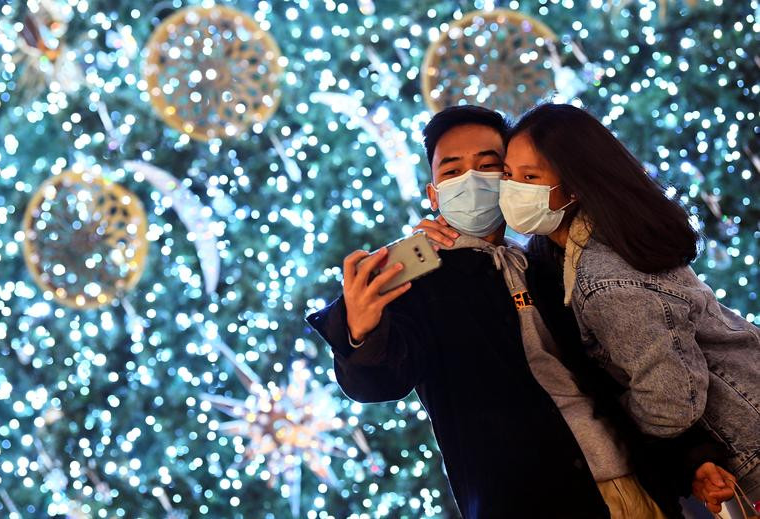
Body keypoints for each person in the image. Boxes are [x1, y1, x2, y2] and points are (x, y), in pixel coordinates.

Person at [306, 105, 725, 518]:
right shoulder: (418, 281)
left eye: (488, 166)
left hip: (637, 486)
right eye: (451, 171)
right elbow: (380, 381)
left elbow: (623, 369)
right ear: (433, 193)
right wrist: (359, 333)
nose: (470, 180)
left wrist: (690, 459)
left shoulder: (552, 264)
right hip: (530, 502)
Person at [493, 102, 760, 516]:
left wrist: (619, 422)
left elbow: (670, 403)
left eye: (531, 178)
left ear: (574, 187)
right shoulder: (575, 244)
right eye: (508, 175)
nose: (512, 190)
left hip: (748, 436)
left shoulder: (605, 280)